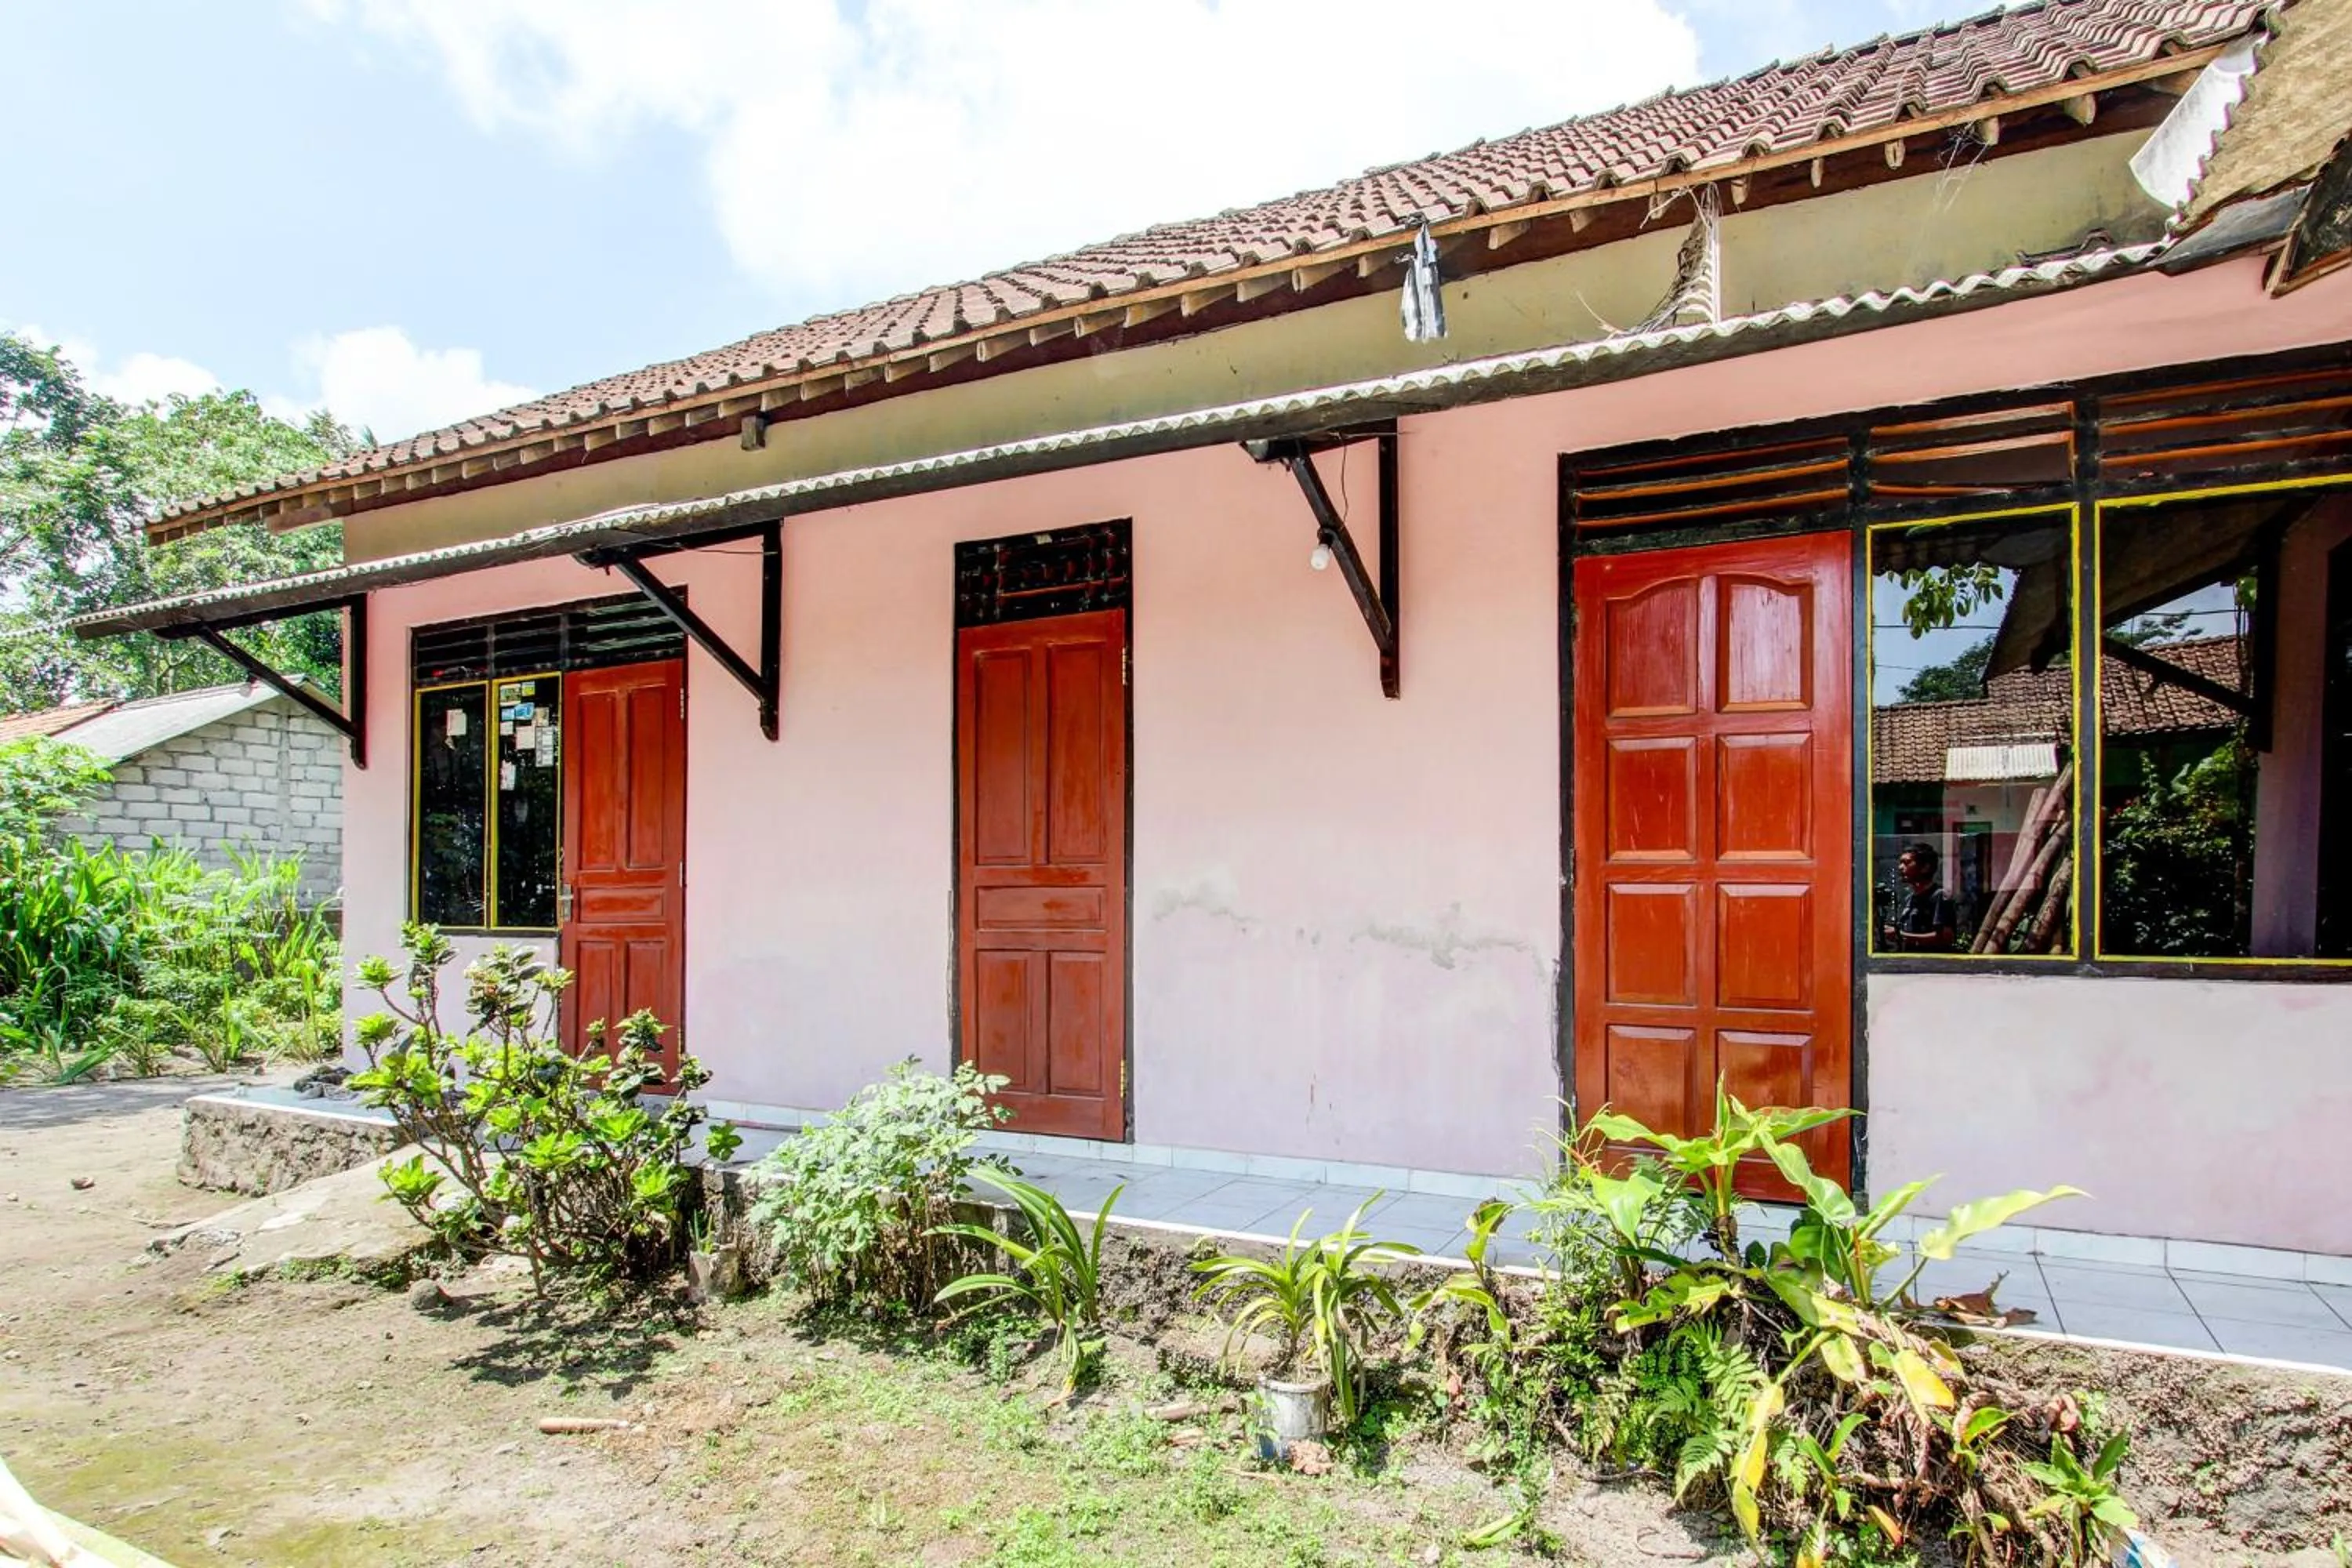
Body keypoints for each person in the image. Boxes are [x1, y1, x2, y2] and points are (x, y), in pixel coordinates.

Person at [1882, 841, 1958, 953]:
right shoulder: (1909, 899)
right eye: (1901, 863)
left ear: (1925, 868)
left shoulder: (1940, 897)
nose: (1900, 867)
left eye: (1907, 863)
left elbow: (1946, 937)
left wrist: (1901, 936)